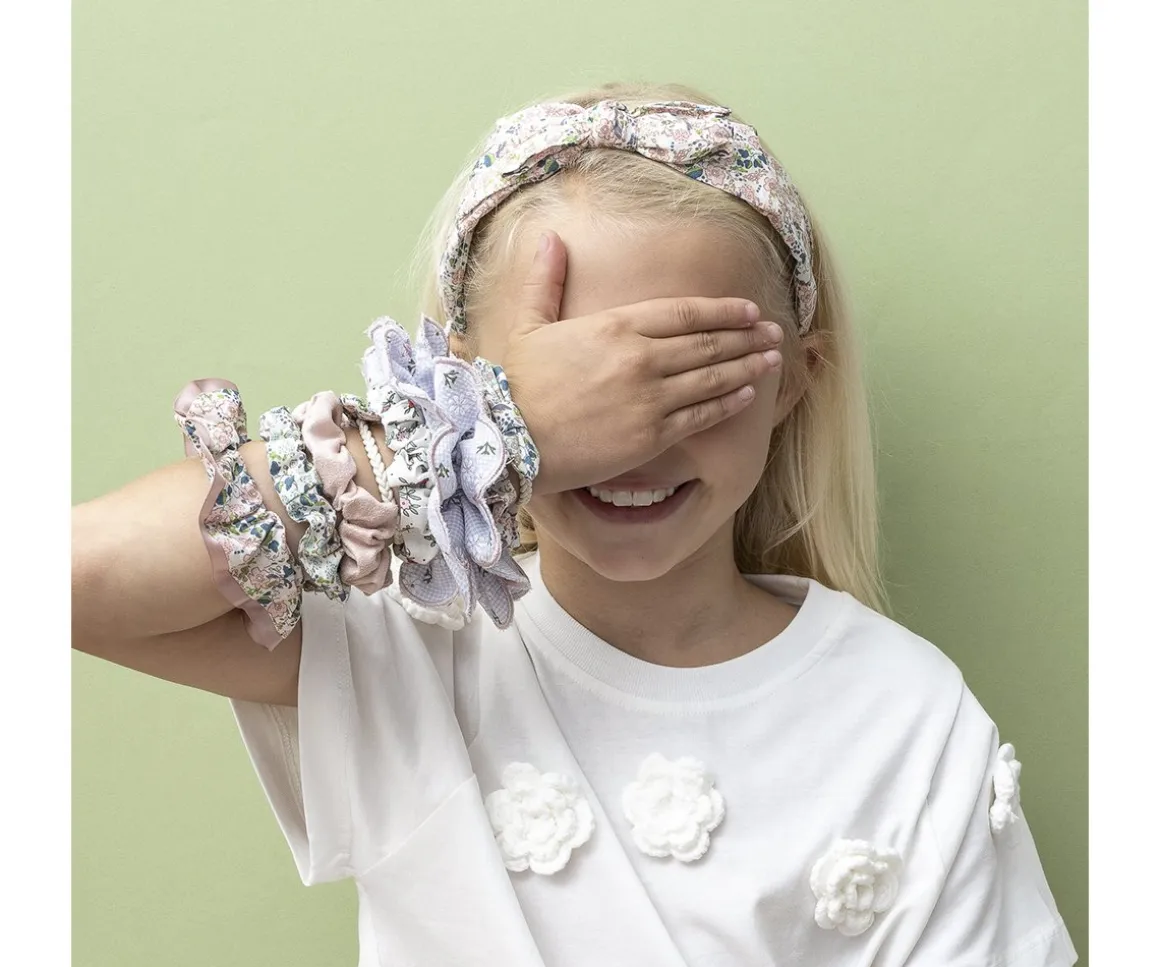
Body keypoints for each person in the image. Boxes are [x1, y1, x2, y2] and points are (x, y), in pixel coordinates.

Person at [72, 81, 1077, 966]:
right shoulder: (404, 655)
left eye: (690, 380)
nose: (631, 445)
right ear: (459, 381)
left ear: (789, 385)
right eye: (579, 389)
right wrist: (489, 428)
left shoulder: (901, 714)